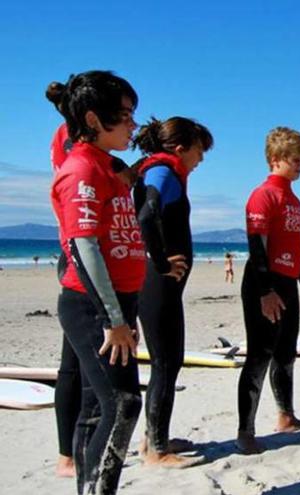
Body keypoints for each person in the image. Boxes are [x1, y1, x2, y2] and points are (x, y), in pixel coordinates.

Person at [48, 70, 145, 495]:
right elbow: (82, 247)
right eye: (124, 116)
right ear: (92, 119)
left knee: (94, 406)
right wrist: (113, 318)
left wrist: (125, 311)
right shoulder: (82, 169)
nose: (132, 125)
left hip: (117, 303)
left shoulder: (108, 167)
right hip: (90, 305)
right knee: (123, 403)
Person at [132, 116, 213, 467]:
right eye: (199, 151)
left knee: (169, 361)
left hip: (160, 283)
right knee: (166, 362)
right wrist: (161, 261)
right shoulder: (162, 172)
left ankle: (153, 439)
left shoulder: (162, 171)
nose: (201, 160)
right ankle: (157, 450)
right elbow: (146, 216)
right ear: (180, 149)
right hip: (156, 282)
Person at [236, 127, 300, 454]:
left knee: (286, 354)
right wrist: (265, 291)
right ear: (275, 160)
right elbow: (257, 245)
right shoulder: (264, 195)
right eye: (296, 159)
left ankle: (286, 416)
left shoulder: (294, 200)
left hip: (287, 282)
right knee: (259, 356)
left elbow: (296, 248)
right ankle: (245, 431)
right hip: (263, 282)